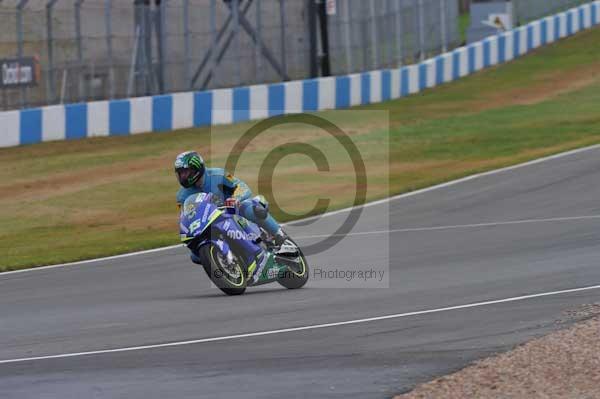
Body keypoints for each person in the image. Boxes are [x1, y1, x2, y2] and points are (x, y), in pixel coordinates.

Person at [174, 151, 288, 248]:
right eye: (180, 174)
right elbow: (184, 216)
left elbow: (242, 187)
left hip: (233, 211)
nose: (182, 177)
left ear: (196, 169)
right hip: (210, 222)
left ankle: (279, 234)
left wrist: (235, 199)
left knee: (252, 208)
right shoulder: (182, 196)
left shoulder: (218, 175)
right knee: (195, 255)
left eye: (185, 172)